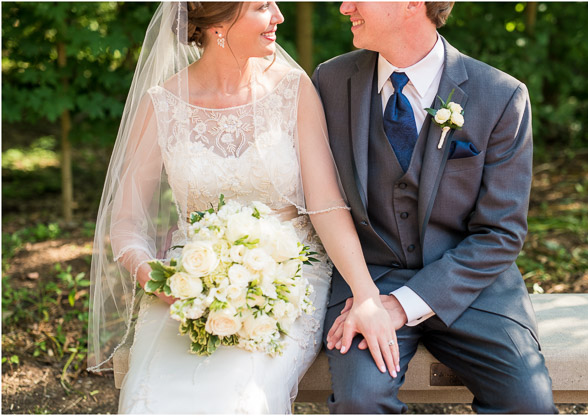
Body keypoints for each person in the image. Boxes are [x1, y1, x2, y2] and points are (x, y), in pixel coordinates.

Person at [87, 2, 397, 413]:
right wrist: (154, 278)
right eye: (262, 6)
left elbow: (325, 205)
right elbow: (125, 222)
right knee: (155, 399)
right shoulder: (162, 104)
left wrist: (366, 295)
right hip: (189, 279)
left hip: (289, 275)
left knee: (241, 397)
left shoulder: (293, 89)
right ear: (218, 25)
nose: (279, 16)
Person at [311, 2, 557, 413]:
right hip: (366, 282)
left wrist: (405, 304)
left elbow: (501, 233)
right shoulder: (331, 81)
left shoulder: (500, 95)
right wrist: (372, 297)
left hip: (471, 288)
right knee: (360, 402)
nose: (344, 6)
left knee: (527, 402)